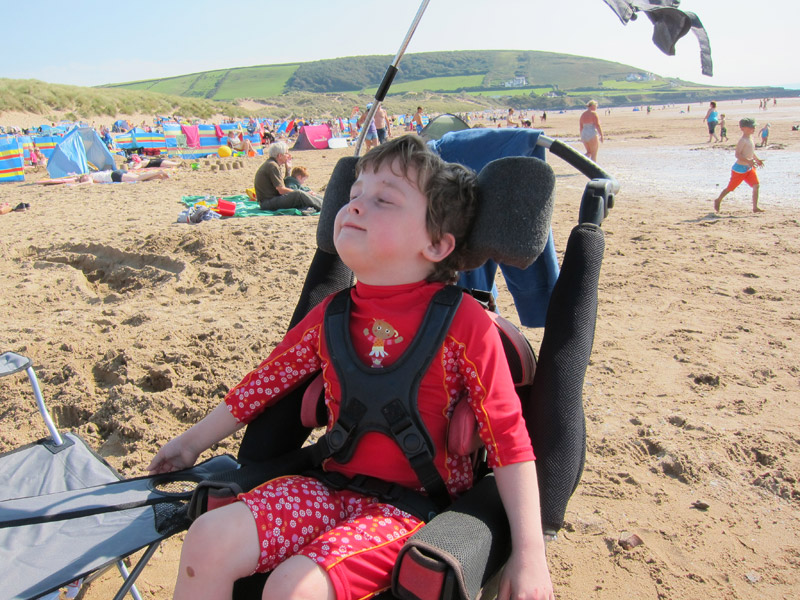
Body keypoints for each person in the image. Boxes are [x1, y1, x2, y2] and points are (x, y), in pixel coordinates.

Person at [148, 135, 555, 600]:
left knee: (290, 588)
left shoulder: (464, 324)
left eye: (384, 199)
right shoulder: (332, 315)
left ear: (436, 244)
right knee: (207, 538)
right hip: (329, 486)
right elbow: (261, 387)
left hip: (412, 510)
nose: (355, 204)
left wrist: (530, 554)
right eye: (355, 193)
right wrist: (189, 444)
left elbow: (508, 440)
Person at [253, 141, 323, 213]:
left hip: (270, 201)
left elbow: (284, 184)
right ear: (280, 156)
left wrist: (288, 170)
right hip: (268, 203)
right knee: (299, 194)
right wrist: (303, 193)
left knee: (303, 193)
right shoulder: (272, 166)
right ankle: (323, 206)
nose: (289, 155)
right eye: (286, 153)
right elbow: (281, 190)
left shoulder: (272, 164)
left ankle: (323, 203)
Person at [713, 117, 764, 214]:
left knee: (756, 185)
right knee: (730, 188)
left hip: (749, 168)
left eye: (754, 127)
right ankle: (718, 200)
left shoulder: (751, 138)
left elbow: (751, 152)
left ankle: (755, 207)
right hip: (739, 169)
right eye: (751, 127)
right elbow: (737, 155)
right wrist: (748, 161)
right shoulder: (743, 140)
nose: (753, 128)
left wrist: (757, 160)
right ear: (743, 128)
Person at [36, 169, 169, 185]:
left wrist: (77, 186)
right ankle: (158, 176)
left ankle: (158, 171)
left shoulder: (87, 177)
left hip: (114, 176)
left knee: (137, 178)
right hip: (115, 173)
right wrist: (44, 182)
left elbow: (88, 183)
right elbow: (61, 180)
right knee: (140, 178)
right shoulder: (91, 174)